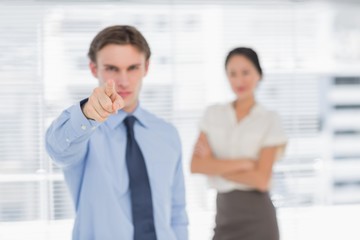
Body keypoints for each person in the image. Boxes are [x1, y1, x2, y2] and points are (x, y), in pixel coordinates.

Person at [45, 25, 188, 240]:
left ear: (146, 68)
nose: (123, 80)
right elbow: (57, 148)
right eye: (112, 68)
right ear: (94, 69)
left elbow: (177, 212)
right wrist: (87, 114)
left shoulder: (167, 134)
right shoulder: (84, 131)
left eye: (132, 68)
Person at [191, 47, 287, 240]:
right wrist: (244, 163)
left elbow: (261, 180)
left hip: (259, 217)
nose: (239, 80)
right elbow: (196, 165)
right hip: (224, 214)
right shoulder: (213, 114)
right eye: (232, 73)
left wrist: (214, 164)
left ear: (258, 74)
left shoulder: (269, 119)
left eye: (246, 72)